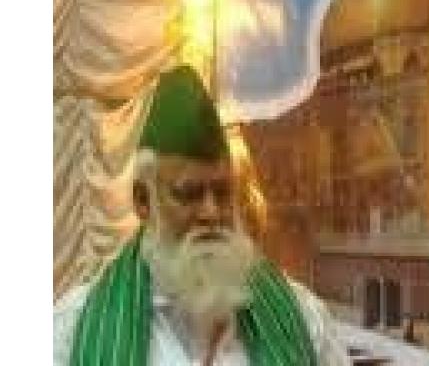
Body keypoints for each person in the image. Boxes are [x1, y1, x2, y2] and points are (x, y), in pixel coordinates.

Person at [53, 65, 350, 366]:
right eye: (189, 193)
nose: (212, 212)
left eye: (222, 192)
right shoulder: (72, 330)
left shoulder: (302, 318)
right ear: (143, 201)